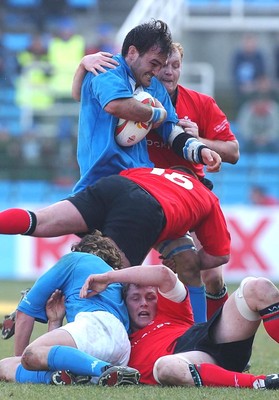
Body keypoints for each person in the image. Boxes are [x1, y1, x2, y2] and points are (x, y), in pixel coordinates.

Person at [71, 42, 235, 322]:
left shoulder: (201, 103)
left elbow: (233, 152)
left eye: (175, 66)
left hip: (186, 195)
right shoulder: (135, 100)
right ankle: (115, 335)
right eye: (162, 66)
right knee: (113, 268)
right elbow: (84, 97)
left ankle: (209, 339)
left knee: (209, 274)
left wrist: (199, 141)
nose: (169, 72)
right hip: (141, 196)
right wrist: (83, 65)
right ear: (151, 67)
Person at [70, 19, 221, 195]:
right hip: (99, 180)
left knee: (199, 194)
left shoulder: (154, 85)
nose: (157, 72)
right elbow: (116, 105)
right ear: (132, 53)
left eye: (161, 65)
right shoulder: (106, 69)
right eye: (154, 63)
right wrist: (157, 114)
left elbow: (171, 130)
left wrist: (200, 151)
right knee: (56, 221)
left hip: (139, 179)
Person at [80, 264, 279, 390]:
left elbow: (163, 274)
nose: (143, 303)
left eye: (150, 297)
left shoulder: (172, 311)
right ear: (125, 304)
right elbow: (65, 353)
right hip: (190, 362)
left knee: (257, 286)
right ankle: (260, 382)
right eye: (135, 298)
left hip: (216, 337)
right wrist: (54, 321)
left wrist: (109, 277)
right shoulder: (117, 344)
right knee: (166, 366)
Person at [0, 230, 139, 386]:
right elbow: (55, 353)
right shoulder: (117, 282)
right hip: (119, 350)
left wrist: (21, 361)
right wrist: (55, 320)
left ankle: (105, 369)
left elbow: (24, 312)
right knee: (3, 367)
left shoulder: (76, 259)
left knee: (30, 354)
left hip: (95, 328)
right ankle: (59, 377)